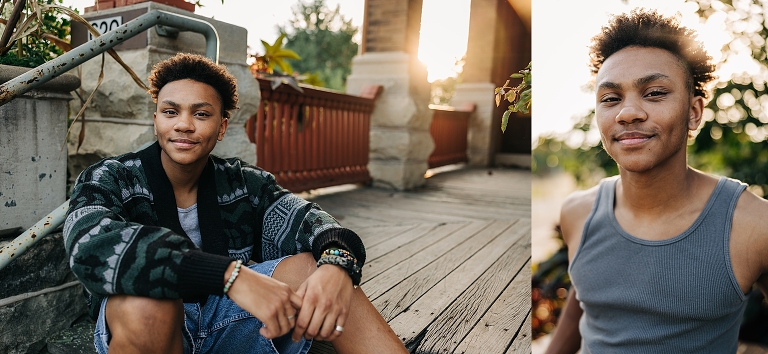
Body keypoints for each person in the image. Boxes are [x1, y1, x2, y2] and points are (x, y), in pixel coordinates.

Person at [63, 53, 407, 354]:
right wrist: (230, 276)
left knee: (317, 269)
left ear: (222, 126)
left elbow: (313, 223)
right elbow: (87, 243)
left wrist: (336, 264)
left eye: (201, 114)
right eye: (170, 112)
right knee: (148, 301)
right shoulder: (111, 177)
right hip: (148, 327)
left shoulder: (245, 184)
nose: (183, 124)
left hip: (227, 321)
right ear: (156, 121)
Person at [545, 9, 768, 353]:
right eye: (610, 98)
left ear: (694, 112)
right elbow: (586, 304)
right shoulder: (577, 213)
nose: (627, 112)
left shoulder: (753, 226)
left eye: (654, 93)